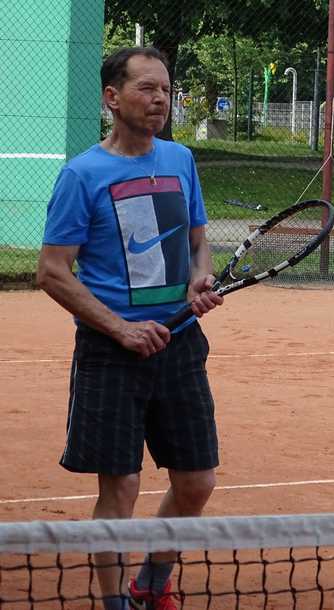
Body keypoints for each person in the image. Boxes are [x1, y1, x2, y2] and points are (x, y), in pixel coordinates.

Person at [36, 47, 223, 610]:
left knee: (198, 482)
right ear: (112, 98)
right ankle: (116, 603)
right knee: (121, 487)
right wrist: (121, 329)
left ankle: (152, 582)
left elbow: (197, 239)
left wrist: (199, 277)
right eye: (146, 88)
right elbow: (51, 271)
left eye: (165, 89)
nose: (159, 99)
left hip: (180, 343)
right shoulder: (82, 174)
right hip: (111, 353)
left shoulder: (180, 160)